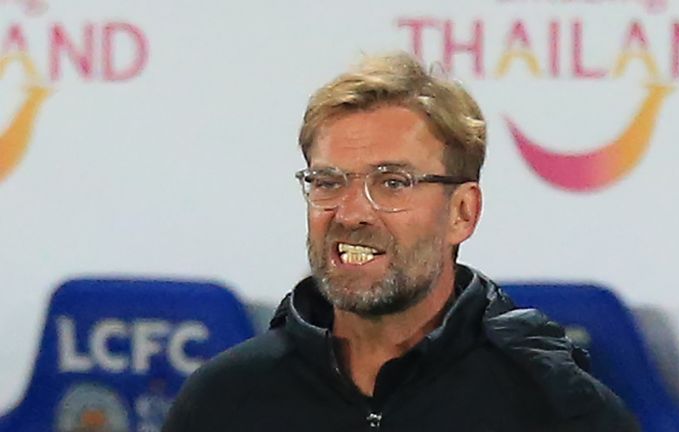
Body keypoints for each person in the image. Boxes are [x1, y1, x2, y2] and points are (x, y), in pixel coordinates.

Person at [162, 52, 638, 432]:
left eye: (392, 183)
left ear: (462, 213)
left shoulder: (556, 407)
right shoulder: (224, 400)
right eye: (328, 181)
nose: (350, 212)